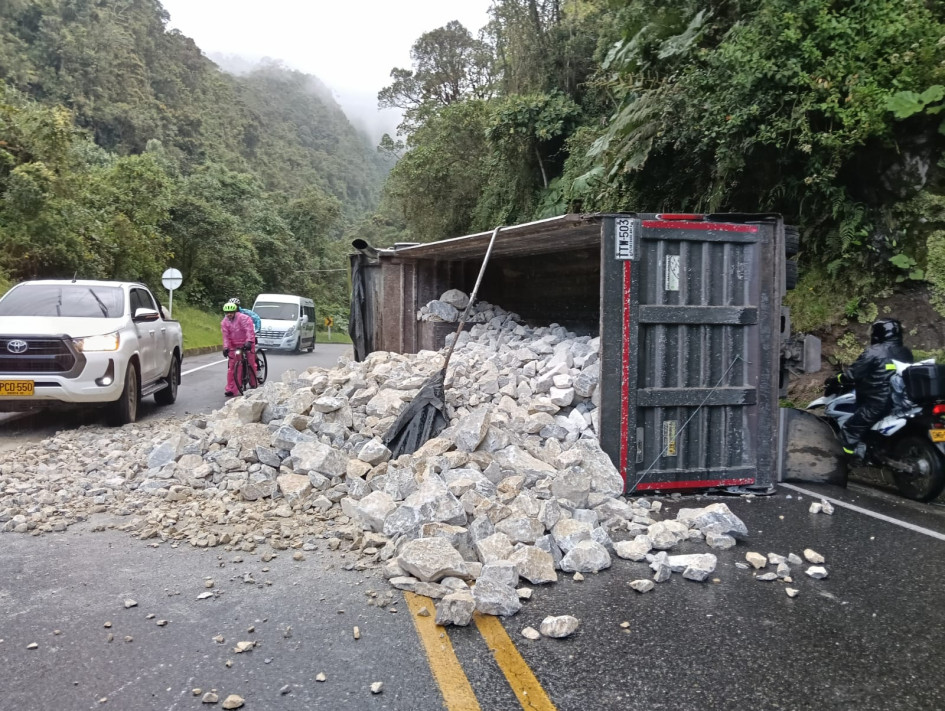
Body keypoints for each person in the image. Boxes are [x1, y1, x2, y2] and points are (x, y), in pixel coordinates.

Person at [838, 318, 913, 461]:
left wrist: (837, 379)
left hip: (878, 401)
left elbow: (853, 374)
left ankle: (847, 461)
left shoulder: (874, 351)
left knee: (850, 430)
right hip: (901, 401)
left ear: (878, 333)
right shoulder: (905, 352)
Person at [221, 302, 257, 396]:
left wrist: (249, 341)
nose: (229, 314)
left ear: (235, 311)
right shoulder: (224, 322)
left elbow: (249, 330)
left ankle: (253, 383)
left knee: (251, 362)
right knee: (233, 366)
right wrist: (226, 348)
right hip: (234, 345)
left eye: (231, 312)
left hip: (246, 342)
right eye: (227, 312)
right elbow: (226, 336)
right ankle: (231, 388)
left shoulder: (244, 318)